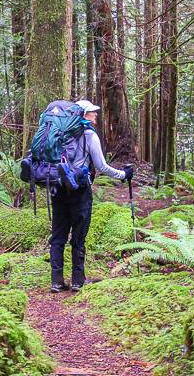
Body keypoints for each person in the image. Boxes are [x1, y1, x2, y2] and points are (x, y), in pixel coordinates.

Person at [49, 99, 134, 293]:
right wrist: (123, 175)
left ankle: (56, 281)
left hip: (58, 189)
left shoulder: (59, 133)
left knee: (58, 236)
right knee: (79, 235)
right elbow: (102, 166)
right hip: (80, 191)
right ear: (84, 114)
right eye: (92, 112)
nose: (96, 115)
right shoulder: (89, 135)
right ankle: (78, 281)